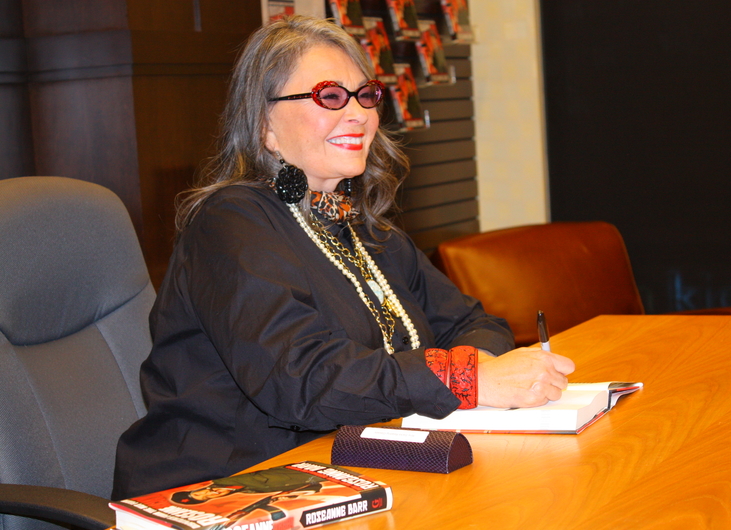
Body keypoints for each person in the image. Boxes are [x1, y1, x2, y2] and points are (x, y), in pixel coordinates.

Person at [112, 15, 575, 499]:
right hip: (223, 490)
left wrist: (477, 373)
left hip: (354, 469)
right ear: (265, 124)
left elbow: (477, 325)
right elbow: (302, 382)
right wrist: (467, 379)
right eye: (330, 97)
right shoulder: (231, 223)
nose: (359, 114)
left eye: (366, 95)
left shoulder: (363, 227)